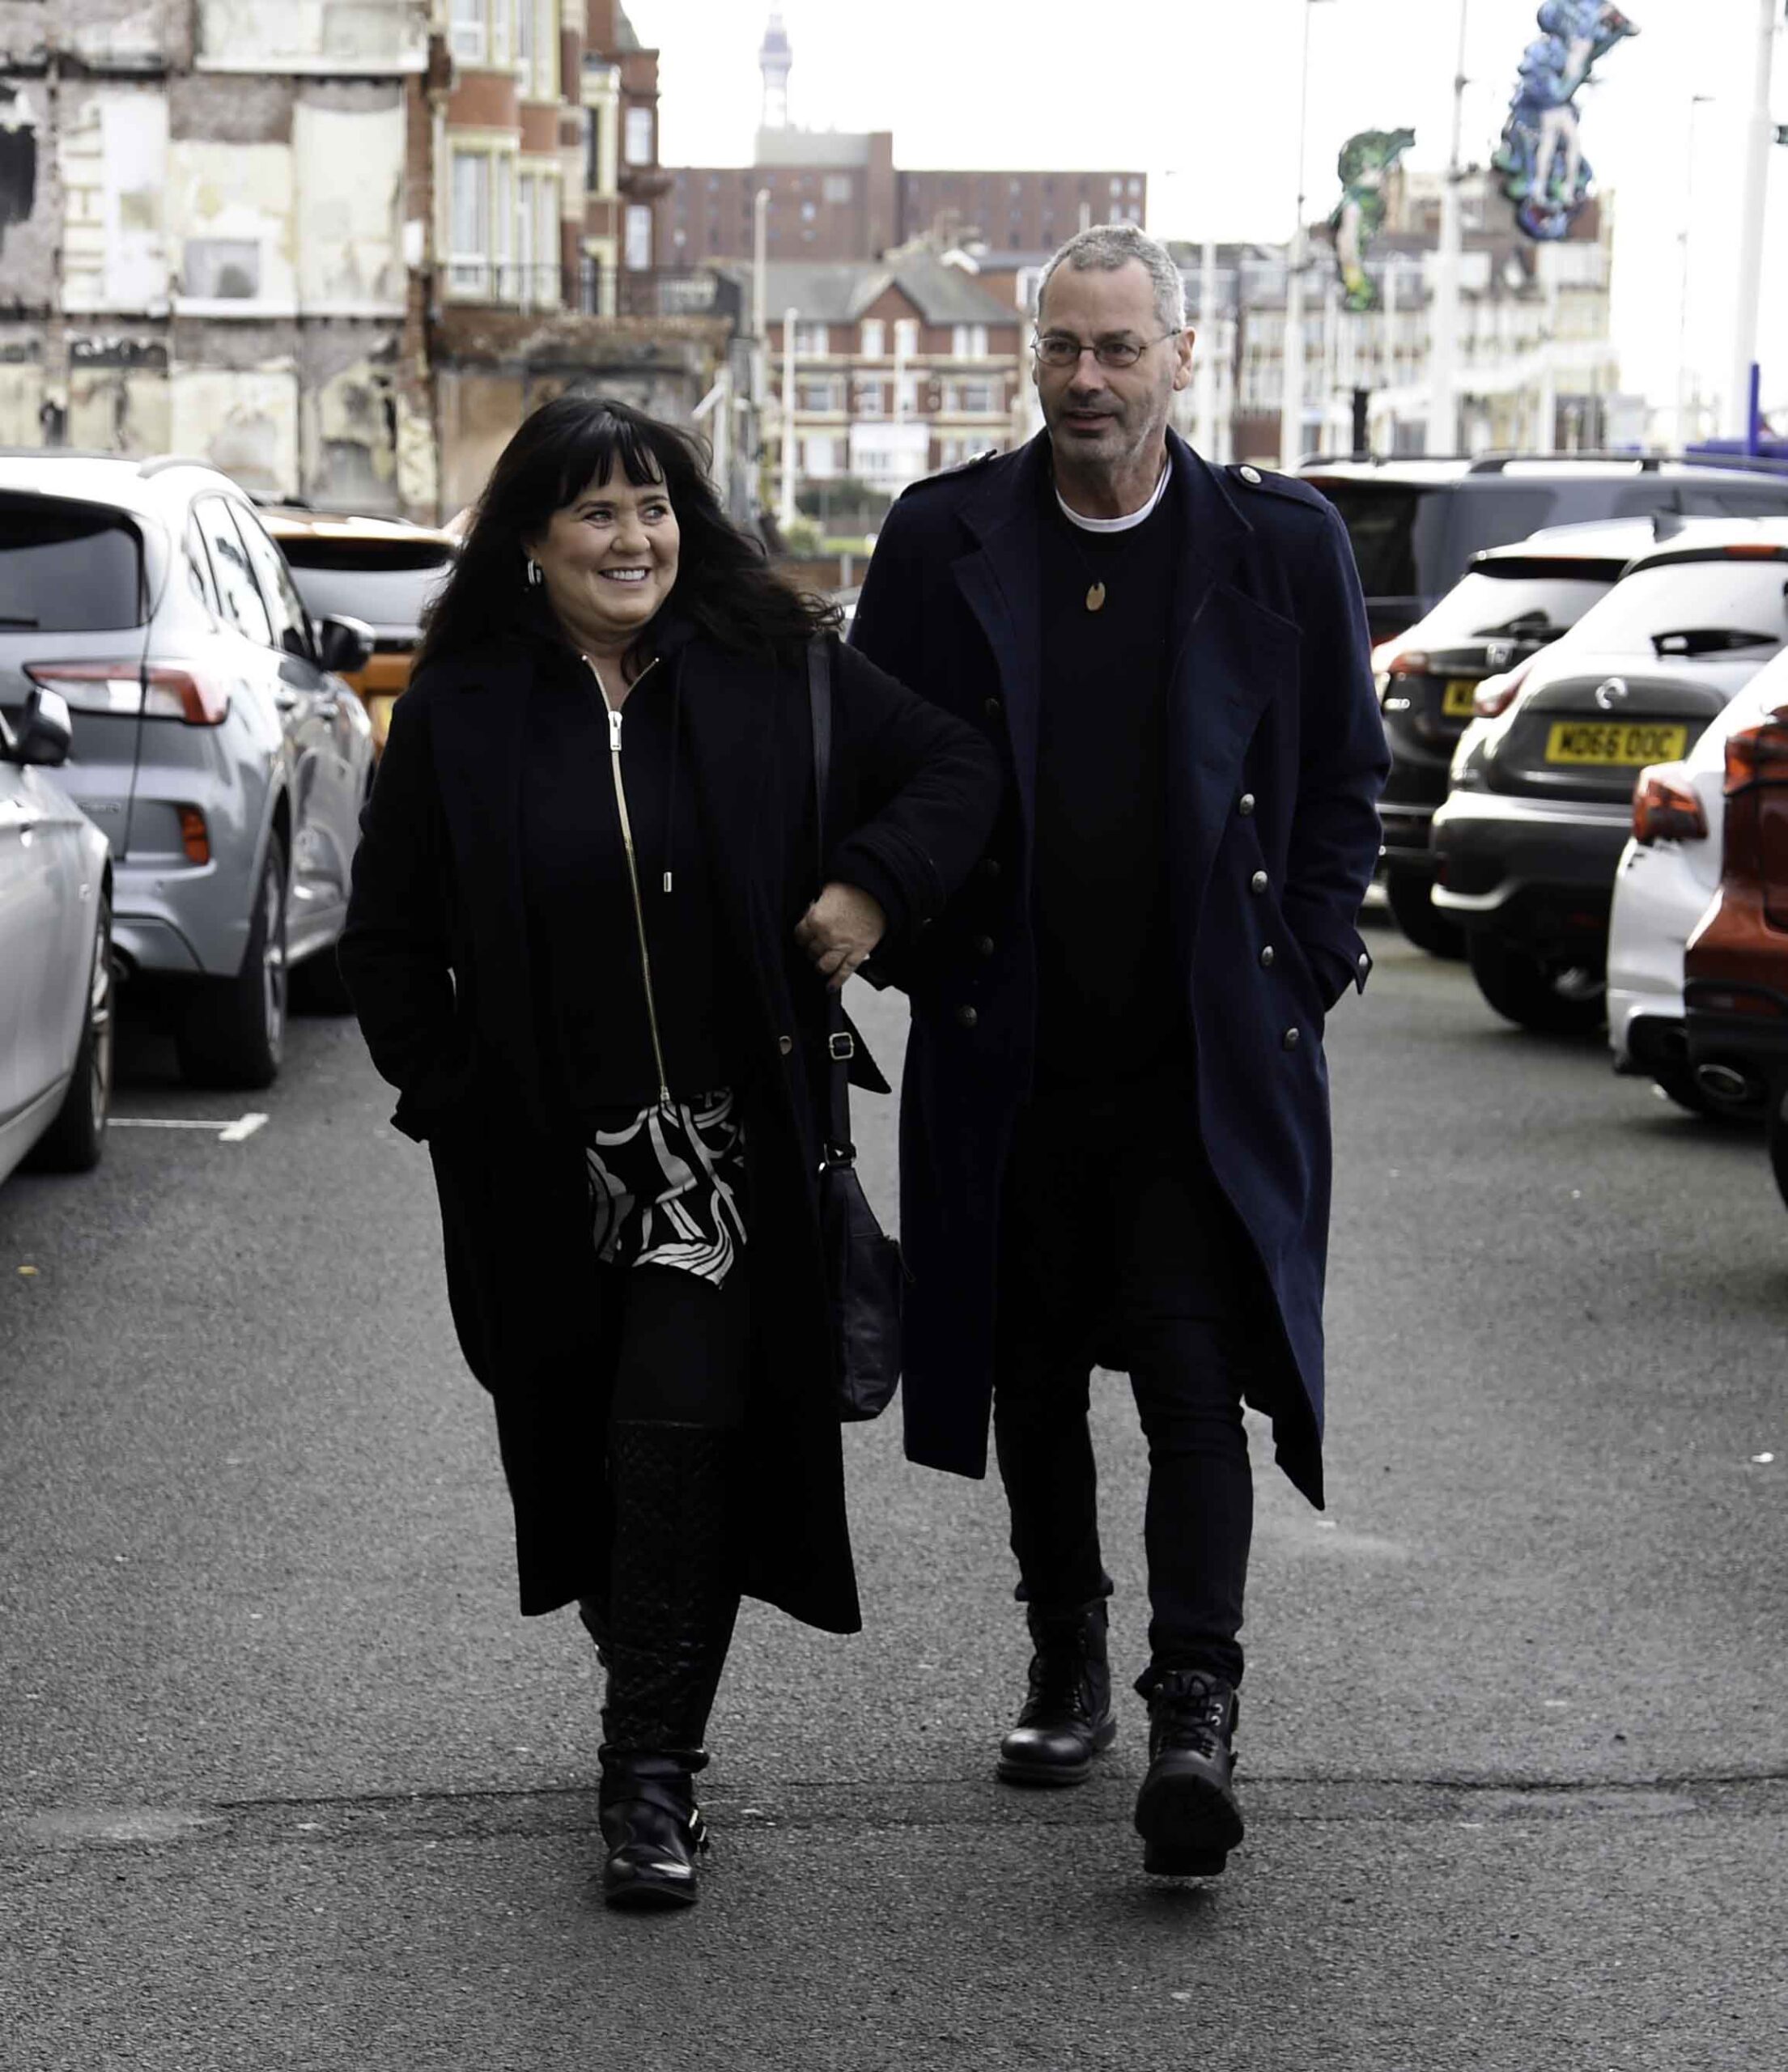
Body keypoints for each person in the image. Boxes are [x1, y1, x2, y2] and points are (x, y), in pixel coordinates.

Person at [338, 395, 1000, 1910]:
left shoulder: (776, 670)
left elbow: (954, 769)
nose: (632, 538)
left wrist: (868, 893)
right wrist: (452, 1097)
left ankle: (646, 1777)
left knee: (675, 1438)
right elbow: (386, 941)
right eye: (595, 513)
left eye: (652, 506)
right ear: (529, 541)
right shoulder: (461, 707)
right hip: (538, 1157)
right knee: (586, 1458)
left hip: (722, 1145)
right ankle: (652, 1691)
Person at [850, 223, 1387, 1879]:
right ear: (1035, 359)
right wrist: (918, 948)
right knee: (1026, 1373)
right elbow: (873, 765)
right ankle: (1065, 1652)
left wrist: (1303, 957)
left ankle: (1194, 1707)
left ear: (1181, 360)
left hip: (1195, 1065)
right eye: (1064, 349)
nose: (1089, 380)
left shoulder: (1277, 543)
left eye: (1120, 349)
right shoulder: (945, 538)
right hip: (1007, 1047)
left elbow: (1344, 783)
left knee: (1188, 1378)